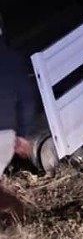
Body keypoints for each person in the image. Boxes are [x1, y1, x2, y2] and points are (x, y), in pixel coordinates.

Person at [0, 25, 38, 223]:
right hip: (4, 135)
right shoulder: (11, 58)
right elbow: (26, 99)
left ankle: (16, 225)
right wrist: (22, 134)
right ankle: (16, 226)